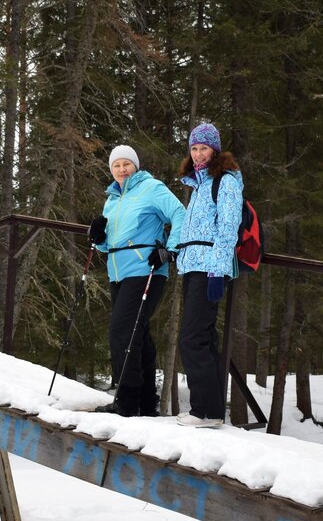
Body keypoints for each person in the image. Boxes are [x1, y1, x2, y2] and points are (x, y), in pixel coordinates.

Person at [89, 144, 184, 416]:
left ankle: (127, 400)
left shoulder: (151, 188)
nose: (121, 169)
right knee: (136, 331)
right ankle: (145, 401)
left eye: (126, 164)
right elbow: (109, 245)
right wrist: (99, 238)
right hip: (118, 272)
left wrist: (170, 249)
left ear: (135, 165)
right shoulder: (112, 198)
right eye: (116, 165)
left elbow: (179, 213)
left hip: (146, 269)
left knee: (121, 331)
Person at [173, 123, 243, 428]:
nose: (199, 154)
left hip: (209, 268)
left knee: (191, 339)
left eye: (204, 148)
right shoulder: (199, 184)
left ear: (215, 149)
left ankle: (203, 410)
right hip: (192, 265)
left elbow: (228, 227)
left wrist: (217, 270)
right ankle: (212, 411)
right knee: (202, 337)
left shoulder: (225, 181)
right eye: (194, 148)